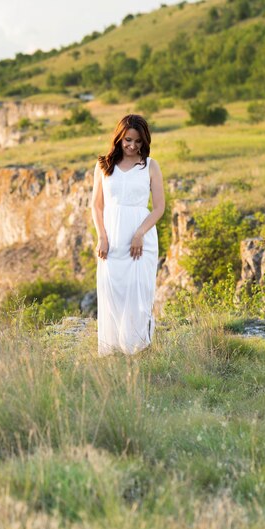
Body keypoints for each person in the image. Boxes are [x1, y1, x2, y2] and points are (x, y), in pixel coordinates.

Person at [91, 114, 165, 356]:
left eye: (138, 142)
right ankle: (113, 351)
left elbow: (159, 208)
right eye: (128, 140)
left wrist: (139, 234)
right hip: (111, 239)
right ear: (119, 138)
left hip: (140, 240)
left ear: (145, 142)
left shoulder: (151, 166)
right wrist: (102, 236)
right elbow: (97, 206)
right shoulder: (103, 165)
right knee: (113, 292)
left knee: (139, 294)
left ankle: (138, 350)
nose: (133, 146)